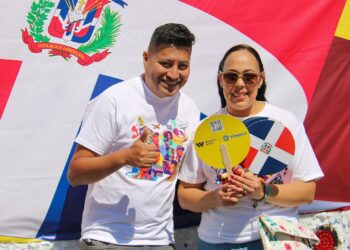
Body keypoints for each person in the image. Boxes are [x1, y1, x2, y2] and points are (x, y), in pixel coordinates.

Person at [67, 23, 200, 249]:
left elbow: (190, 182)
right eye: (165, 63)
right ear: (146, 58)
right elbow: (76, 174)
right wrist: (125, 157)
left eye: (183, 66)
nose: (174, 74)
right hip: (107, 238)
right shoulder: (114, 100)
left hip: (161, 240)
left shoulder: (190, 109)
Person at [177, 44, 324, 249]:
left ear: (261, 79)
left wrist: (263, 191)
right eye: (231, 77)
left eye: (249, 77)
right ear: (221, 80)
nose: (240, 84)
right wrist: (216, 198)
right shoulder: (206, 130)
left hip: (278, 237)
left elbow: (307, 192)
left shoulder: (285, 123)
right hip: (219, 241)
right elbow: (185, 196)